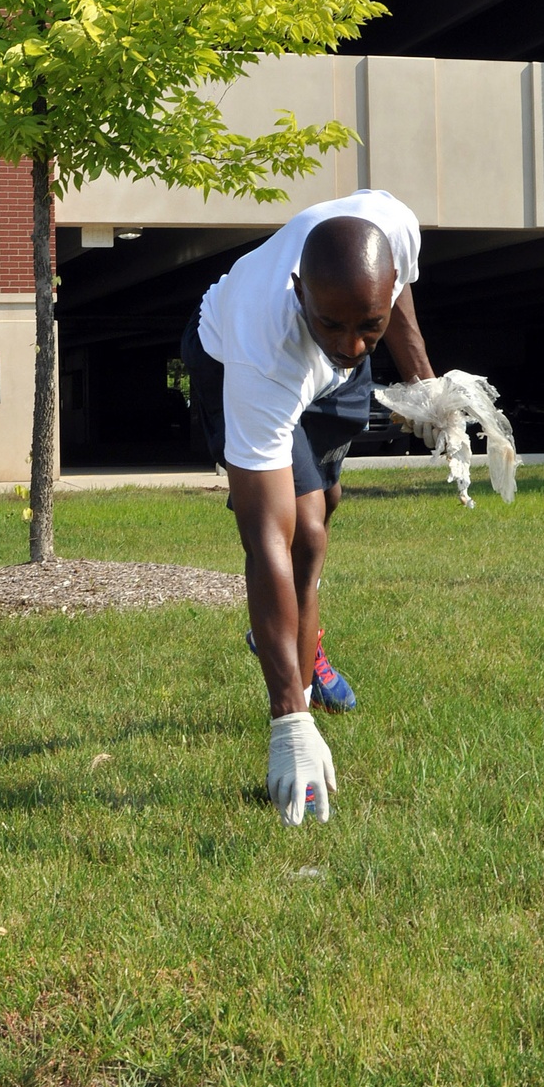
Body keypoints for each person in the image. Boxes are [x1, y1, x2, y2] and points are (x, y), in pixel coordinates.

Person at [181, 190, 435, 826]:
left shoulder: (394, 228)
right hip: (231, 357)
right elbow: (261, 536)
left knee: (327, 504)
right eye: (337, 327)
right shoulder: (261, 353)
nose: (354, 346)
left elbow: (393, 302)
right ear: (300, 291)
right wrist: (288, 723)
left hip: (324, 381)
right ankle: (296, 679)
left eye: (365, 328)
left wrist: (425, 389)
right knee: (301, 535)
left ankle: (298, 640)